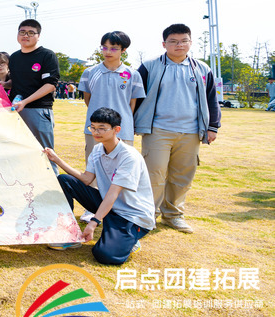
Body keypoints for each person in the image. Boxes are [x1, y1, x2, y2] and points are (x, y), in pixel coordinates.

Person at [133, 23, 221, 234]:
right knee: (154, 174)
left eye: (183, 41)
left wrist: (213, 127)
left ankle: (173, 215)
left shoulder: (202, 68)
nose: (178, 45)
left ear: (190, 43)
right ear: (164, 44)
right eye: (173, 41)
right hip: (157, 130)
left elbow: (211, 99)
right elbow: (134, 95)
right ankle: (148, 214)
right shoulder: (150, 66)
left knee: (182, 176)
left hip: (191, 131)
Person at [44, 108, 155, 265]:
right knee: (65, 180)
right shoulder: (97, 149)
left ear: (117, 130)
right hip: (110, 206)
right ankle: (69, 234)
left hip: (131, 214)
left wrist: (94, 221)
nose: (96, 132)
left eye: (102, 128)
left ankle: (130, 240)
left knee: (105, 256)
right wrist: (57, 160)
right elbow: (86, 179)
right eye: (93, 127)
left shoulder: (129, 157)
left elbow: (113, 193)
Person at [78, 31, 145, 161]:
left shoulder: (133, 74)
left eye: (114, 48)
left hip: (122, 129)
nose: (108, 52)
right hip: (95, 129)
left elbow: (132, 104)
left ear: (123, 50)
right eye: (104, 47)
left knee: (122, 167)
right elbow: (88, 100)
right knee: (94, 169)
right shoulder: (89, 72)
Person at [9, 20, 60, 161]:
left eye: (31, 33)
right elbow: (16, 81)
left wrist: (25, 102)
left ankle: (52, 181)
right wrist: (4, 84)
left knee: (44, 153)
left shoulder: (46, 55)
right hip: (16, 111)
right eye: (22, 32)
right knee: (20, 152)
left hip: (38, 110)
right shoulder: (13, 57)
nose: (26, 35)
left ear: (38, 36)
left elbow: (50, 85)